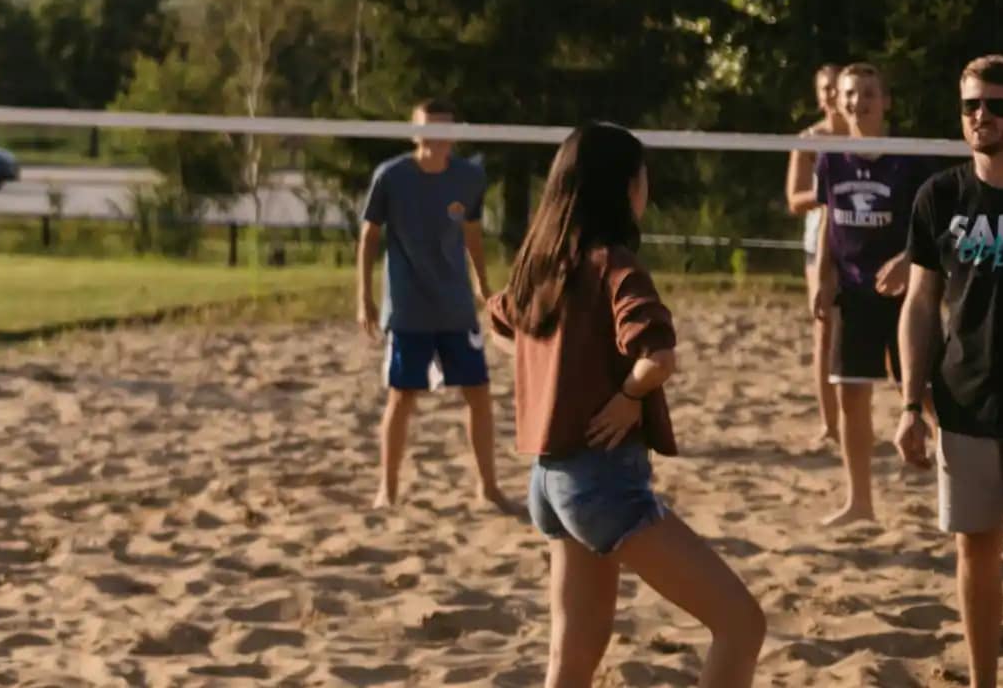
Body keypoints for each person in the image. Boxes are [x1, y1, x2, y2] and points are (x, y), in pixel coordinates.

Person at [487, 123, 765, 688]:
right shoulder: (615, 265)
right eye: (643, 178)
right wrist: (628, 396)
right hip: (601, 481)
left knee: (571, 658)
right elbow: (658, 358)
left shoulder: (541, 263)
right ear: (625, 188)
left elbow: (504, 327)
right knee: (742, 624)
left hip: (548, 479)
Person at [897, 54, 1003, 688]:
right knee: (975, 551)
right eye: (970, 106)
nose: (981, 116)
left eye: (995, 104)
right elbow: (921, 302)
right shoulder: (941, 195)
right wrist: (909, 403)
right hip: (965, 404)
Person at [356, 99, 509, 512]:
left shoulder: (469, 177)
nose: (436, 138)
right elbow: (369, 236)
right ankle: (387, 489)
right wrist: (364, 297)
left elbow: (472, 234)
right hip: (408, 306)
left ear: (453, 135)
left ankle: (488, 487)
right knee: (402, 396)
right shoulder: (391, 176)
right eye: (428, 128)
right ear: (414, 132)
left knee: (478, 392)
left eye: (444, 128)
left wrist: (482, 282)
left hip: (455, 306)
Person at [810, 63, 938, 527]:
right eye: (849, 94)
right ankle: (859, 502)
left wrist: (909, 259)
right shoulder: (830, 157)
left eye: (867, 93)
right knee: (851, 395)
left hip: (906, 295)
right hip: (852, 291)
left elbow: (931, 223)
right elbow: (829, 221)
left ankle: (956, 482)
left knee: (923, 392)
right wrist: (822, 277)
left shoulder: (909, 158)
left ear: (886, 101)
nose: (856, 102)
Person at [785, 63, 849, 446]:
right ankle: (830, 425)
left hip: (864, 241)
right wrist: (831, 191)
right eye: (823, 88)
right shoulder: (809, 139)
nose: (830, 94)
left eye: (835, 87)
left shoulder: (871, 136)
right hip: (819, 242)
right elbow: (794, 199)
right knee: (824, 329)